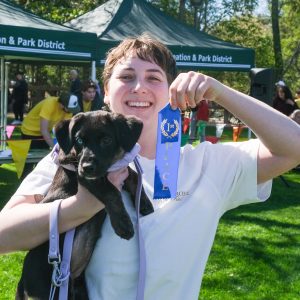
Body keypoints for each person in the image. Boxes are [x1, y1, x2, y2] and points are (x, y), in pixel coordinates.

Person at [0, 34, 300, 299]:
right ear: (106, 90)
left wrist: (220, 92)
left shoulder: (206, 164)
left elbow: (294, 147)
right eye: (126, 76)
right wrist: (82, 206)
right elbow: (3, 236)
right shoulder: (71, 160)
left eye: (154, 78)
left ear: (172, 90)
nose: (140, 87)